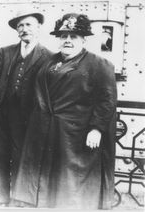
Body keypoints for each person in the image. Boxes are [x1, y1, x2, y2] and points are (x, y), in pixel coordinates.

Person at [13, 13, 117, 209]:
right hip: (46, 130)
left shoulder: (99, 65)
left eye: (73, 36)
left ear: (84, 40)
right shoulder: (49, 62)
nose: (67, 40)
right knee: (47, 179)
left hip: (75, 135)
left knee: (70, 183)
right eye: (63, 36)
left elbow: (107, 100)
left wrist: (96, 129)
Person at [0, 9, 53, 206]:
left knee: (23, 161)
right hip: (1, 116)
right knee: (0, 159)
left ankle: (19, 201)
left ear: (38, 27)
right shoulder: (6, 52)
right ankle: (1, 200)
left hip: (27, 120)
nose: (24, 29)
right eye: (20, 26)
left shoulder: (48, 56)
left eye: (28, 24)